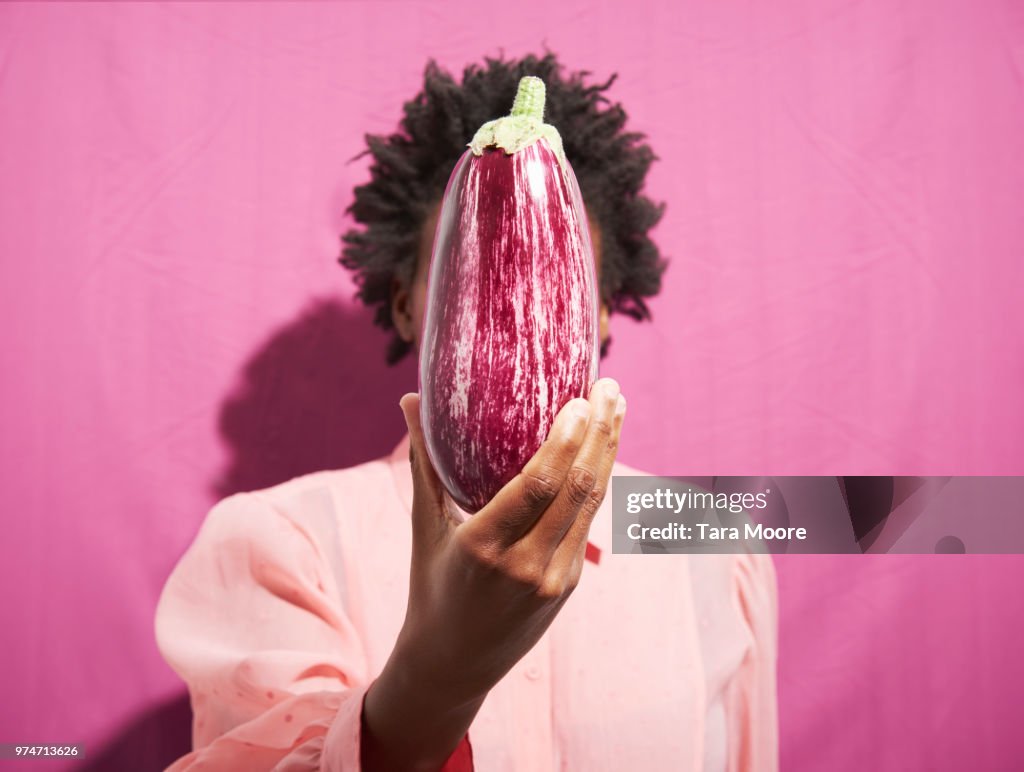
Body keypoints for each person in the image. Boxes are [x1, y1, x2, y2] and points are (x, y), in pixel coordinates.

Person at [156, 53, 778, 771]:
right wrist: (435, 677)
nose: (513, 310)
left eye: (552, 284)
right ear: (406, 305)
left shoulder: (712, 547)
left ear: (602, 315)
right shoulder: (282, 545)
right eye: (474, 279)